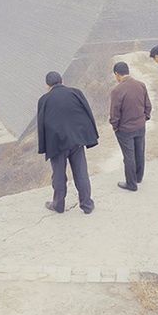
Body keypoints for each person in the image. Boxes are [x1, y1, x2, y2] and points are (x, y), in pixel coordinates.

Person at [36, 71, 99, 213]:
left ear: (47, 85)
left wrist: (44, 147)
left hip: (56, 144)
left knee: (58, 175)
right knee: (81, 172)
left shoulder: (44, 100)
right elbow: (86, 112)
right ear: (62, 80)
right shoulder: (75, 93)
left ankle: (58, 205)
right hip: (76, 141)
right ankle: (87, 205)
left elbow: (41, 125)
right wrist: (87, 135)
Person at [108, 61, 151, 191]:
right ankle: (138, 177)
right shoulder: (141, 85)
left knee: (129, 156)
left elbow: (114, 113)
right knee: (140, 151)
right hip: (140, 126)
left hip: (125, 129)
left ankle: (131, 184)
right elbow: (148, 105)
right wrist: (145, 118)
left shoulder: (117, 90)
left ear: (117, 74)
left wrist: (115, 126)